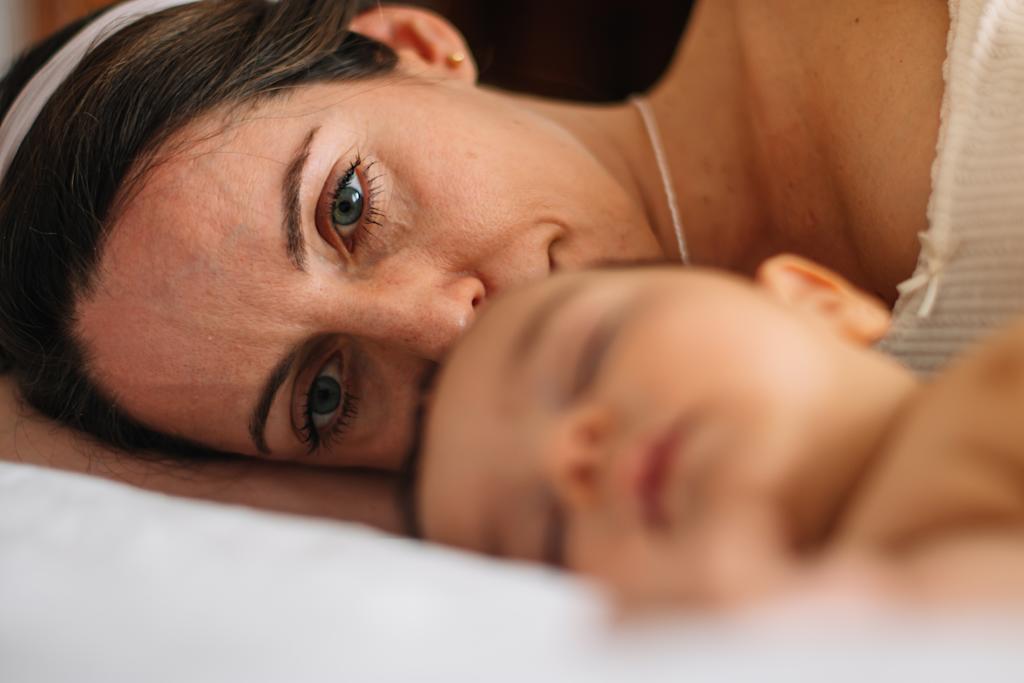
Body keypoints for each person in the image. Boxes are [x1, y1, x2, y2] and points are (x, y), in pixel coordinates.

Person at [0, 0, 1009, 526]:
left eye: (348, 206)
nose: (445, 329)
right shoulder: (665, 509)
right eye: (325, 395)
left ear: (412, 42)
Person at [415, 257, 1024, 609]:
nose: (563, 454)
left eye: (589, 360)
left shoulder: (996, 388)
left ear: (818, 300)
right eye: (548, 538)